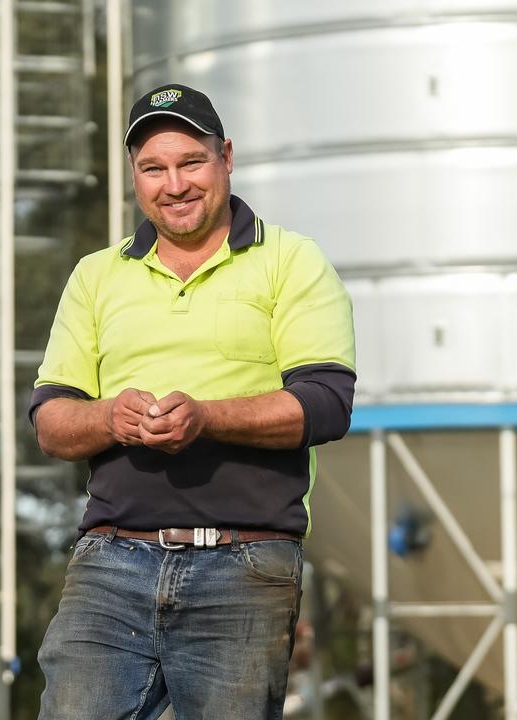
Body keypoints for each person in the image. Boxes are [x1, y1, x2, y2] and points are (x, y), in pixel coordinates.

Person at [31, 84, 356, 718]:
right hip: (110, 562)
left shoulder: (291, 260)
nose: (173, 184)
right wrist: (108, 417)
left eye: (190, 163)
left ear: (225, 157)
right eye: (153, 168)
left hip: (246, 562)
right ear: (135, 177)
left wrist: (206, 418)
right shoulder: (97, 274)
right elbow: (50, 421)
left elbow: (324, 404)